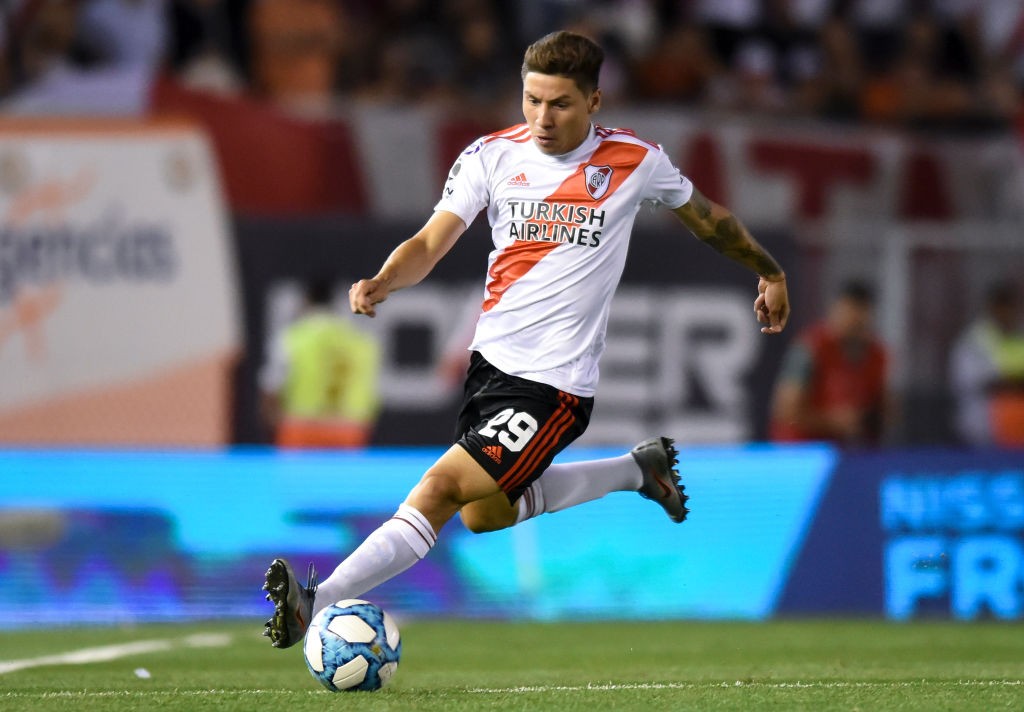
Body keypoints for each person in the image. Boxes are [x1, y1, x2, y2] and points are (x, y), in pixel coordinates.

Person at [262, 30, 790, 648]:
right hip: (491, 370)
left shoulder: (634, 161)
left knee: (439, 490)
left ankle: (314, 601)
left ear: (594, 101)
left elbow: (709, 219)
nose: (542, 117)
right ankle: (635, 471)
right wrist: (384, 278)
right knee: (484, 514)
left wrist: (770, 271)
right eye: (532, 100)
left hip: (554, 385)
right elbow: (432, 241)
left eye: (560, 103)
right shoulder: (491, 155)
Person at [259, 279, 381, 448]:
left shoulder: (293, 337)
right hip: (348, 429)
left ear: (307, 300)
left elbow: (272, 385)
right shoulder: (360, 340)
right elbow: (373, 388)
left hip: (301, 428)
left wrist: (273, 424)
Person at [769, 279, 888, 447]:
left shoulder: (876, 355)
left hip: (846, 452)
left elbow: (885, 409)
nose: (854, 320)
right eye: (849, 312)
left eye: (860, 314)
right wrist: (833, 421)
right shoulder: (812, 348)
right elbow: (785, 411)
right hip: (800, 451)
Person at [950, 280, 1024, 447]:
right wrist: (1011, 383)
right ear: (991, 307)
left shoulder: (1020, 338)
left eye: (1010, 307)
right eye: (1001, 306)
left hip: (1018, 431)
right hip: (981, 430)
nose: (1006, 312)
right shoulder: (975, 340)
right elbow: (969, 381)